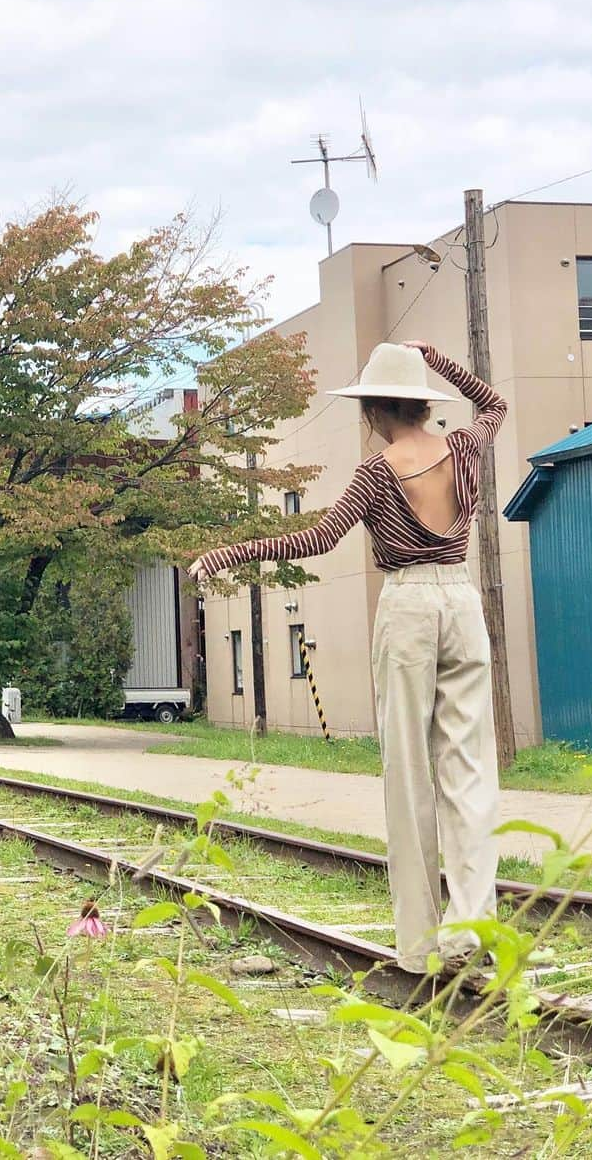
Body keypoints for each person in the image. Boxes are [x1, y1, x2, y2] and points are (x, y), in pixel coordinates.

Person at [188, 341, 507, 974]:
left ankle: (419, 948)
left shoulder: (377, 470)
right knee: (470, 774)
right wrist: (437, 358)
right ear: (422, 402)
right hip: (462, 600)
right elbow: (493, 403)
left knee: (410, 774)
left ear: (374, 409)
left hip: (409, 608)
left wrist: (227, 556)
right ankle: (472, 934)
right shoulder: (464, 447)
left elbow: (320, 536)